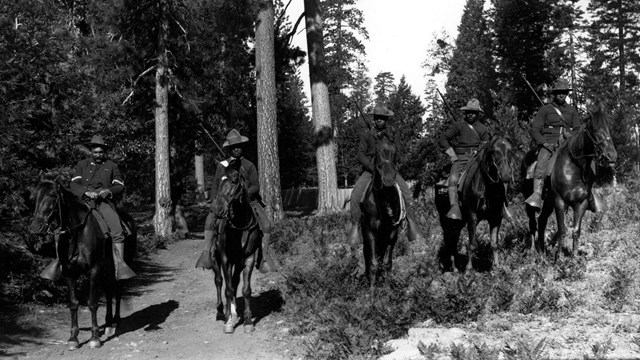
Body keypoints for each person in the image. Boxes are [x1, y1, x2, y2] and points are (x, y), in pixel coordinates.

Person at [41, 135, 136, 281]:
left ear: (104, 152)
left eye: (100, 152)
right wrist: (85, 192)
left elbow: (119, 186)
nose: (98, 155)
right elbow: (74, 184)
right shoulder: (82, 164)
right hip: (82, 201)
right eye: (95, 152)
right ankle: (58, 262)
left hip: (102, 203)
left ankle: (120, 265)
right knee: (60, 227)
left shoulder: (112, 166)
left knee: (117, 228)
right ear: (91, 151)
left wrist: (108, 191)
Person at [195, 129, 280, 273]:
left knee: (266, 225)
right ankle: (207, 253)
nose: (236, 149)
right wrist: (216, 202)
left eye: (238, 147)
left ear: (242, 148)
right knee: (210, 221)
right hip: (224, 200)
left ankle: (263, 259)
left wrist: (245, 192)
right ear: (229, 149)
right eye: (233, 147)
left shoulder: (249, 165)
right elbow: (216, 185)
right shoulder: (223, 166)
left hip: (249, 202)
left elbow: (256, 186)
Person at [347, 102, 425, 247]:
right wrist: (372, 167)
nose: (379, 120)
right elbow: (361, 155)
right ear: (374, 119)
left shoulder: (392, 134)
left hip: (388, 169)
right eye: (377, 118)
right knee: (356, 195)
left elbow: (398, 152)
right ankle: (355, 226)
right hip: (370, 171)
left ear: (386, 119)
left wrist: (390, 166)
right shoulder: (367, 135)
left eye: (382, 118)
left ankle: (412, 224)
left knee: (406, 193)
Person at [439, 98, 513, 220]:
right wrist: (452, 154)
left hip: (478, 157)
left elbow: (487, 145)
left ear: (478, 114)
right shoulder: (457, 126)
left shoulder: (483, 129)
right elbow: (443, 139)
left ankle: (502, 206)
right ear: (465, 112)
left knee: (495, 177)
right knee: (453, 179)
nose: (470, 114)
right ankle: (454, 207)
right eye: (468, 112)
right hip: (461, 157)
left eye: (473, 112)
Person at [525, 78, 581, 209]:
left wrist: (571, 136)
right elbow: (535, 130)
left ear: (567, 94)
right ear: (554, 94)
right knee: (541, 163)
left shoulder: (572, 110)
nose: (562, 95)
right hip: (549, 143)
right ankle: (537, 194)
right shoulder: (545, 110)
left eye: (564, 92)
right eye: (559, 92)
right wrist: (544, 143)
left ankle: (589, 191)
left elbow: (578, 128)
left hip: (568, 143)